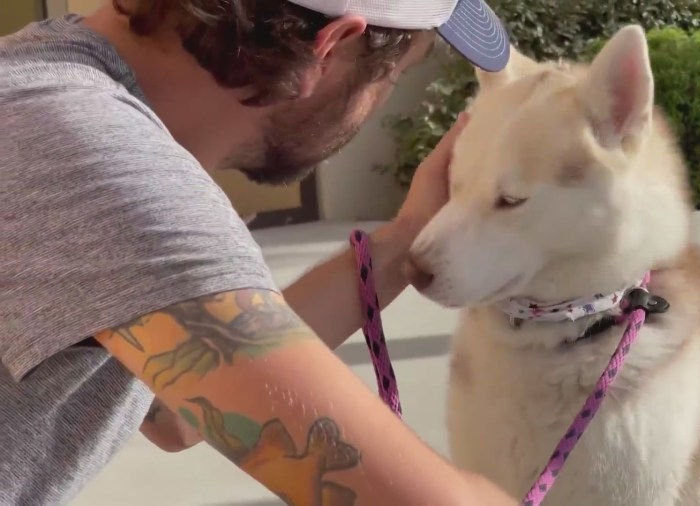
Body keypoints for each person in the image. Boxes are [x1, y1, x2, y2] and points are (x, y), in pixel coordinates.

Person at [0, 0, 518, 504]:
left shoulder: (36, 85)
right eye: (393, 77)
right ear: (332, 48)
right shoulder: (107, 171)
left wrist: (408, 239)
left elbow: (173, 411)